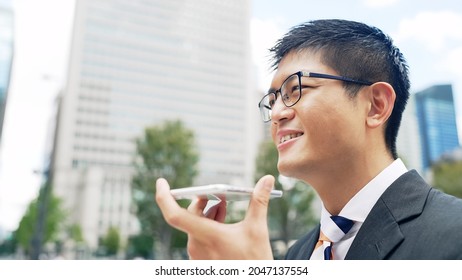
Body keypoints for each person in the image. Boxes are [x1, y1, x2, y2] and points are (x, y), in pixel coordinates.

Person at [155, 19, 462, 260]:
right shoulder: (298, 254)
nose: (276, 113)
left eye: (294, 90)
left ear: (376, 105)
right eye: (273, 99)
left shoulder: (454, 235)